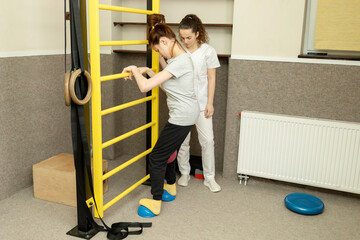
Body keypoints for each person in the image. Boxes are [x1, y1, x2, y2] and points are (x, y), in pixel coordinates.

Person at [121, 14, 199, 217]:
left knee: (156, 157)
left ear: (164, 41)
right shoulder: (180, 58)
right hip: (187, 115)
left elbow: (145, 87)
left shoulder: (180, 61)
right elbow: (168, 86)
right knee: (170, 152)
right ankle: (170, 187)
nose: (159, 54)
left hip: (182, 117)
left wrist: (133, 70)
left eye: (158, 50)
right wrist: (146, 69)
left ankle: (155, 201)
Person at [176, 14, 221, 192]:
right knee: (182, 141)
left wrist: (210, 103)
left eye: (188, 37)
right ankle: (185, 173)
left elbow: (211, 77)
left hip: (203, 103)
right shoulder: (178, 50)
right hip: (183, 104)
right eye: (182, 38)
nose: (185, 41)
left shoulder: (208, 51)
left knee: (208, 141)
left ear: (197, 33)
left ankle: (209, 177)